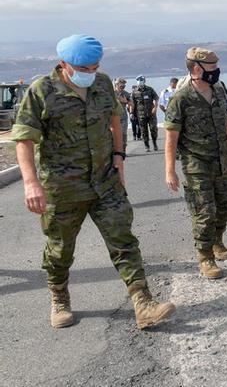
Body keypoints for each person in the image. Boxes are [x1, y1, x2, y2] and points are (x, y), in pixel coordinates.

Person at [12, 34, 175, 329]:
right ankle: (59, 297)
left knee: (123, 239)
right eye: (84, 68)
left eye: (95, 67)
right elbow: (23, 139)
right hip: (63, 188)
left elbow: (114, 117)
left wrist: (118, 155)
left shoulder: (101, 83)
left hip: (105, 181)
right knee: (60, 249)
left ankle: (144, 303)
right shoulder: (42, 90)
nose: (91, 73)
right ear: (64, 64)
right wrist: (30, 183)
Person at [164, 47, 227, 279]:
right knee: (204, 211)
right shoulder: (181, 98)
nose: (217, 70)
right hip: (195, 163)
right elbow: (171, 137)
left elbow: (226, 121)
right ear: (197, 69)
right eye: (213, 67)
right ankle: (205, 257)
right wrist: (170, 170)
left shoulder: (219, 90)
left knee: (226, 203)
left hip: (221, 159)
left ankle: (217, 241)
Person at [131, 75, 159, 151]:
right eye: (138, 80)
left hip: (151, 114)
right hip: (141, 115)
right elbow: (132, 104)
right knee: (144, 131)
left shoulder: (150, 89)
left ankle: (154, 143)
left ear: (144, 80)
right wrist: (131, 113)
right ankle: (147, 146)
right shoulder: (134, 92)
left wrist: (155, 108)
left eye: (141, 80)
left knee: (153, 129)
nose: (140, 81)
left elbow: (156, 98)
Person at [114, 77, 133, 152]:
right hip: (113, 117)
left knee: (123, 134)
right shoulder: (111, 93)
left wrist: (125, 101)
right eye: (121, 86)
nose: (122, 87)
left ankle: (123, 150)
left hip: (123, 117)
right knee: (113, 134)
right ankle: (115, 151)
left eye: (124, 86)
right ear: (117, 85)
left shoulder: (126, 94)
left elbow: (132, 104)